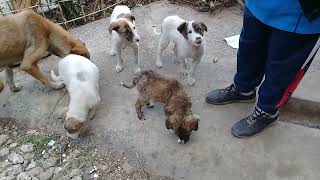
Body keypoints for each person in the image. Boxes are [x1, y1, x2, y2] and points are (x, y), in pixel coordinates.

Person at [206, 0, 320, 138]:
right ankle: (243, 89)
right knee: (248, 50)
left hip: (297, 15)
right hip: (258, 5)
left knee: (281, 68)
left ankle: (267, 111)